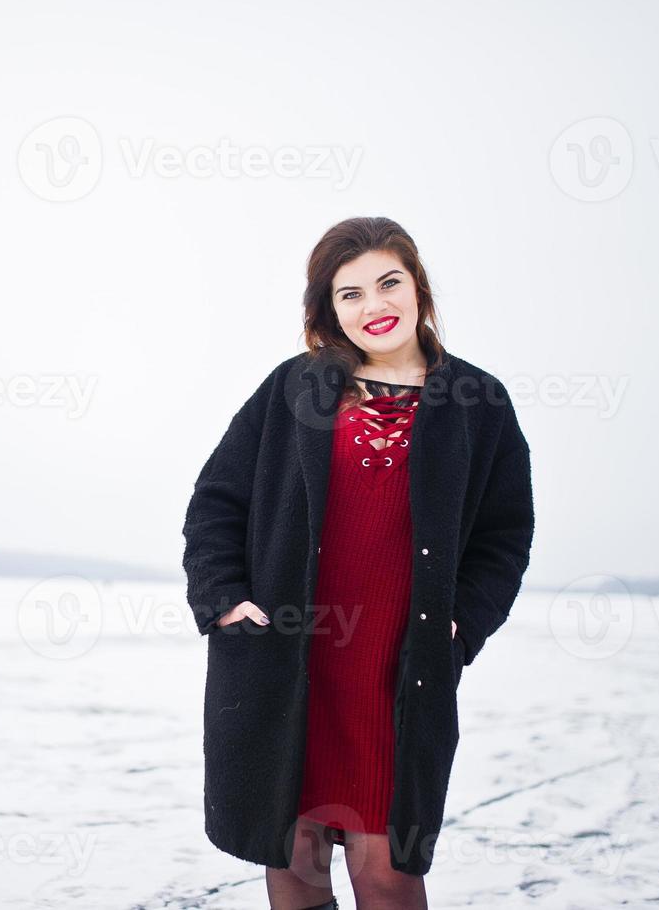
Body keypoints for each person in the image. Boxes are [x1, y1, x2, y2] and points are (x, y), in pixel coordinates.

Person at [182, 216, 536, 910]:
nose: (373, 306)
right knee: (297, 858)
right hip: (288, 661)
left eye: (387, 283)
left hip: (395, 672)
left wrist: (463, 625)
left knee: (387, 872)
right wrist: (224, 599)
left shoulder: (477, 402)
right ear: (327, 310)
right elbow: (215, 504)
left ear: (417, 289)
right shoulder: (293, 390)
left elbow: (503, 536)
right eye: (350, 294)